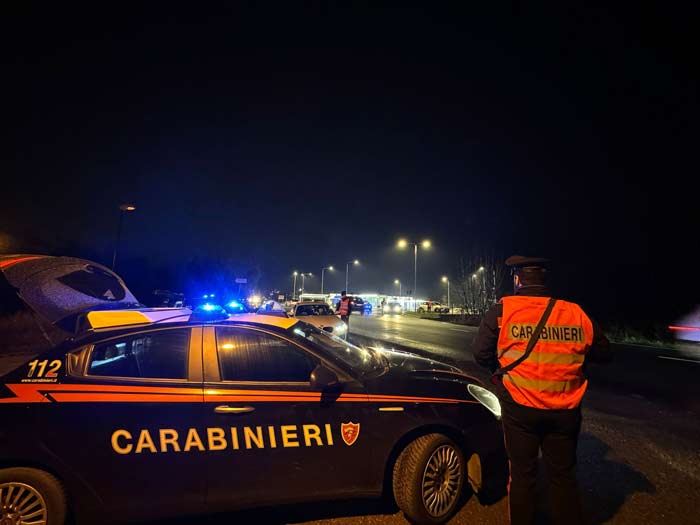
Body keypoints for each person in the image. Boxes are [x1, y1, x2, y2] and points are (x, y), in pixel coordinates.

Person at [471, 255, 612, 525]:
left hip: (520, 409)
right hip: (564, 410)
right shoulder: (575, 313)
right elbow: (605, 353)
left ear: (517, 280)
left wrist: (502, 369)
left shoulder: (503, 311)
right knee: (563, 478)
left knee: (523, 476)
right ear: (545, 281)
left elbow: (480, 354)